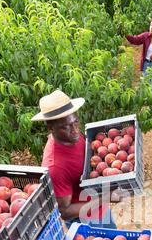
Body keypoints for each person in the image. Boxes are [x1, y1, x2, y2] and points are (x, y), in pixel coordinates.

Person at [31, 89, 116, 228]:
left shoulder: (72, 136)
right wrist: (106, 197)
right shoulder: (55, 167)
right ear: (51, 127)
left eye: (75, 122)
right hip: (85, 222)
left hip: (99, 206)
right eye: (66, 127)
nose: (75, 130)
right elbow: (65, 211)